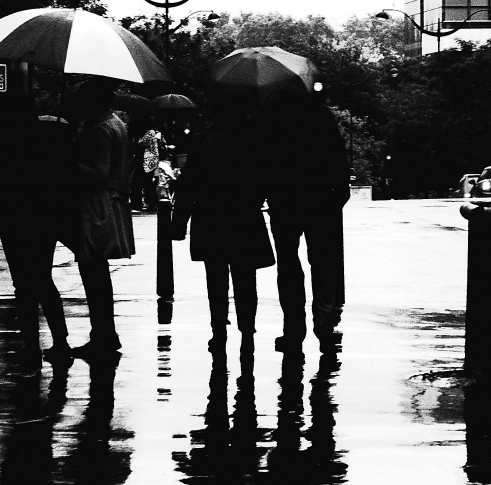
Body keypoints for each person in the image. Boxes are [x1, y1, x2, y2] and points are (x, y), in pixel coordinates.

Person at [170, 103, 275, 357]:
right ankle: (247, 329)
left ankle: (218, 330)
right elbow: (265, 179)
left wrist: (179, 222)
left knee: (215, 279)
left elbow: (188, 184)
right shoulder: (252, 142)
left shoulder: (202, 142)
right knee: (245, 278)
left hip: (210, 216)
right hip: (243, 217)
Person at [0, 87, 75, 368]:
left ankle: (31, 345)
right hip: (44, 217)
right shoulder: (49, 136)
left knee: (23, 283)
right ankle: (60, 340)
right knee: (42, 279)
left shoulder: (3, 141)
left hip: (15, 217)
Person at [259, 92, 350, 352]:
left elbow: (263, 160)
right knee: (323, 262)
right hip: (320, 200)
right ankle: (323, 322)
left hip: (284, 201)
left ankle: (293, 327)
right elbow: (337, 156)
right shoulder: (320, 116)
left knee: (288, 264)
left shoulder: (271, 117)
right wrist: (338, 193)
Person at [62, 78, 136, 362]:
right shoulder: (116, 123)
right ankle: (104, 333)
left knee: (93, 273)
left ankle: (102, 335)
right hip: (109, 203)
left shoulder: (100, 130)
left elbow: (97, 173)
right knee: (98, 275)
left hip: (96, 207)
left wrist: (68, 161)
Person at [132, 116, 168, 211]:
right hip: (146, 160)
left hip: (149, 161)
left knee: (141, 182)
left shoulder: (150, 132)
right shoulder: (147, 132)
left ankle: (148, 203)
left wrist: (137, 138)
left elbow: (142, 142)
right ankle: (151, 202)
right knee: (145, 182)